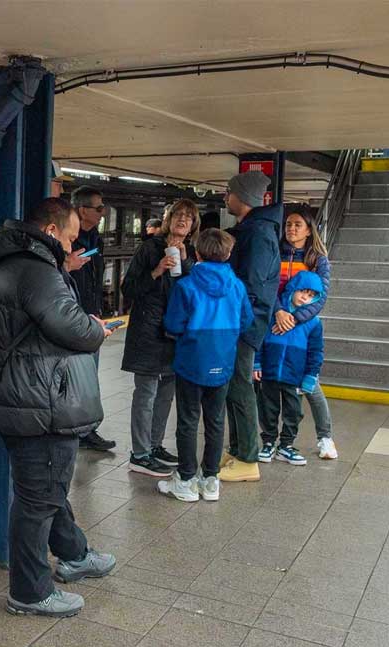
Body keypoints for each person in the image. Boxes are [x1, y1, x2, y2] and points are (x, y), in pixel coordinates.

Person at [0, 198, 115, 618]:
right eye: (69, 237)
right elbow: (71, 327)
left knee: (45, 487)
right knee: (38, 500)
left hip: (20, 392)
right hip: (40, 398)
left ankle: (75, 554)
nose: (71, 245)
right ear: (51, 231)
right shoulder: (36, 268)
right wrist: (95, 329)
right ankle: (29, 592)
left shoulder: (8, 259)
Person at [160, 229, 251, 502]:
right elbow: (246, 321)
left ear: (197, 253)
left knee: (188, 421)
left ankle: (186, 480)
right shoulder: (237, 286)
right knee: (216, 420)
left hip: (191, 362)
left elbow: (173, 324)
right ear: (228, 253)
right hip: (223, 362)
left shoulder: (186, 286)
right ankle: (211, 480)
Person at [119, 199, 199, 476]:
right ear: (168, 219)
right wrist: (157, 270)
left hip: (175, 332)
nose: (183, 220)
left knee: (166, 392)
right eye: (178, 215)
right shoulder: (149, 248)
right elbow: (128, 288)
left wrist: (186, 262)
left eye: (189, 217)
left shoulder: (191, 253)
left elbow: (193, 289)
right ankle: (139, 454)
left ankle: (154, 445)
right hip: (148, 330)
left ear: (193, 225)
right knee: (146, 392)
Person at [222, 171, 282, 483]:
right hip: (243, 320)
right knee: (234, 386)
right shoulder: (254, 229)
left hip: (244, 322)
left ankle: (248, 457)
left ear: (242, 196)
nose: (225, 197)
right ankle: (237, 450)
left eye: (229, 192)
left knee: (241, 386)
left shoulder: (258, 233)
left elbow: (253, 285)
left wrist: (235, 318)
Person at [272, 211, 337, 459]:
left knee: (310, 384)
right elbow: (267, 286)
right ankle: (269, 440)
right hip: (275, 320)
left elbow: (320, 296)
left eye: (298, 225)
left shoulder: (318, 260)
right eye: (288, 224)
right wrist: (279, 312)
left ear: (309, 230)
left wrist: (295, 319)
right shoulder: (274, 253)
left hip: (301, 325)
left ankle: (325, 438)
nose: (292, 228)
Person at [255, 271, 326, 466]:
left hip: (295, 377)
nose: (305, 297)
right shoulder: (274, 315)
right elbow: (259, 341)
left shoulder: (313, 323)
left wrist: (310, 376)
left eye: (311, 295)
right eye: (303, 291)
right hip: (269, 373)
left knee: (293, 412)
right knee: (267, 410)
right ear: (293, 288)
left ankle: (286, 446)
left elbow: (316, 352)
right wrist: (257, 363)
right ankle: (268, 443)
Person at [67, 186, 117, 451]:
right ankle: (72, 429)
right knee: (72, 376)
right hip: (70, 317)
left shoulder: (95, 239)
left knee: (88, 376)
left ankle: (86, 430)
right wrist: (66, 265)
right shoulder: (67, 242)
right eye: (98, 208)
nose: (102, 212)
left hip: (90, 316)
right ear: (82, 210)